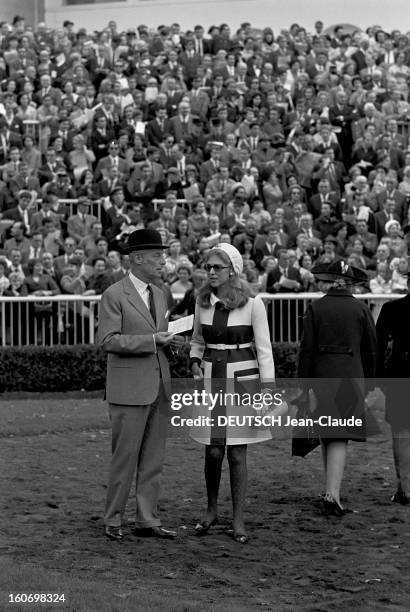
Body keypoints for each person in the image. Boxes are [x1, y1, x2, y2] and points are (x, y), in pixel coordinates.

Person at [190, 243, 282, 543]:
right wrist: (194, 361)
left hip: (242, 380)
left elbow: (265, 351)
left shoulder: (253, 304)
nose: (211, 272)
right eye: (208, 266)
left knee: (238, 451)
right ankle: (211, 510)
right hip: (211, 380)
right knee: (213, 449)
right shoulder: (201, 301)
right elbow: (197, 341)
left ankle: (239, 520)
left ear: (233, 270)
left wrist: (267, 390)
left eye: (218, 267)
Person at [97, 229, 184, 542]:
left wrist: (173, 343)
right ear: (137, 259)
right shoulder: (114, 294)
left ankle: (147, 519)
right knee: (125, 457)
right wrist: (151, 340)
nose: (163, 261)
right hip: (128, 388)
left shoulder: (159, 294)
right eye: (157, 255)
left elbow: (157, 337)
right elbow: (107, 341)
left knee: (153, 458)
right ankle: (113, 519)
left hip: (159, 384)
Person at [297, 259, 378, 516]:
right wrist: (370, 384)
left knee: (326, 433)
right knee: (339, 435)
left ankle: (330, 490)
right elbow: (371, 351)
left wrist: (304, 384)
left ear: (331, 282)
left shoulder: (316, 307)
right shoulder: (360, 309)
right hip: (350, 376)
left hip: (321, 376)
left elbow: (306, 350)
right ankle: (333, 494)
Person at [376, 262, 410, 505]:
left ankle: (405, 488)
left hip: (400, 373)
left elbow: (377, 346)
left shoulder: (392, 309)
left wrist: (377, 379)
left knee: (401, 432)